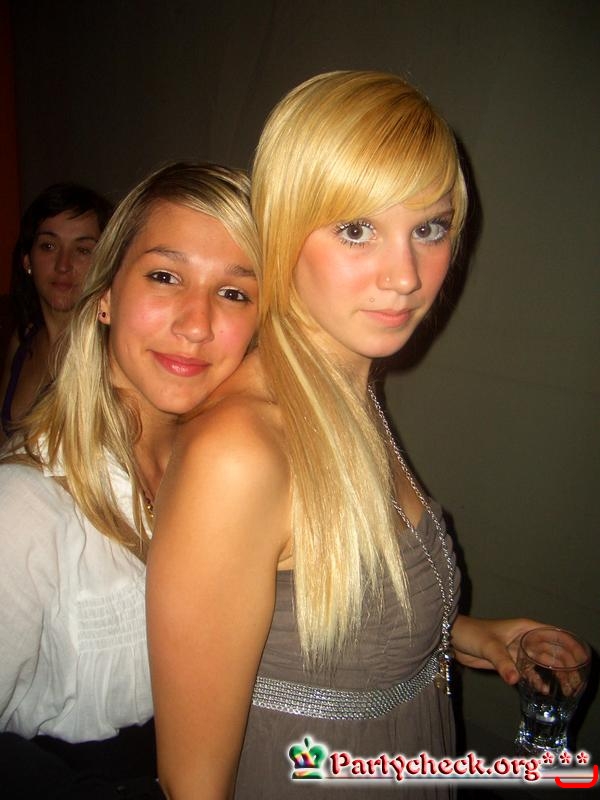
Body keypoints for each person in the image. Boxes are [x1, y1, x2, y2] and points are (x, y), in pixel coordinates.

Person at [147, 72, 543, 799]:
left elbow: (319, 617)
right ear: (284, 227)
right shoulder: (238, 455)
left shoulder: (346, 396)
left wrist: (472, 634)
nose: (405, 276)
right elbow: (192, 783)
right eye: (357, 230)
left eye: (430, 228)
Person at [0, 162, 258, 798]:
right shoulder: (28, 505)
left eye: (233, 292)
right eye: (165, 276)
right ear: (106, 296)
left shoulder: (236, 480)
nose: (196, 324)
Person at [0, 182, 113, 441]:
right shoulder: (23, 339)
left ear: (105, 263)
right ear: (27, 260)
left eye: (83, 250)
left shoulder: (113, 354)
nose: (63, 265)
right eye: (49, 246)